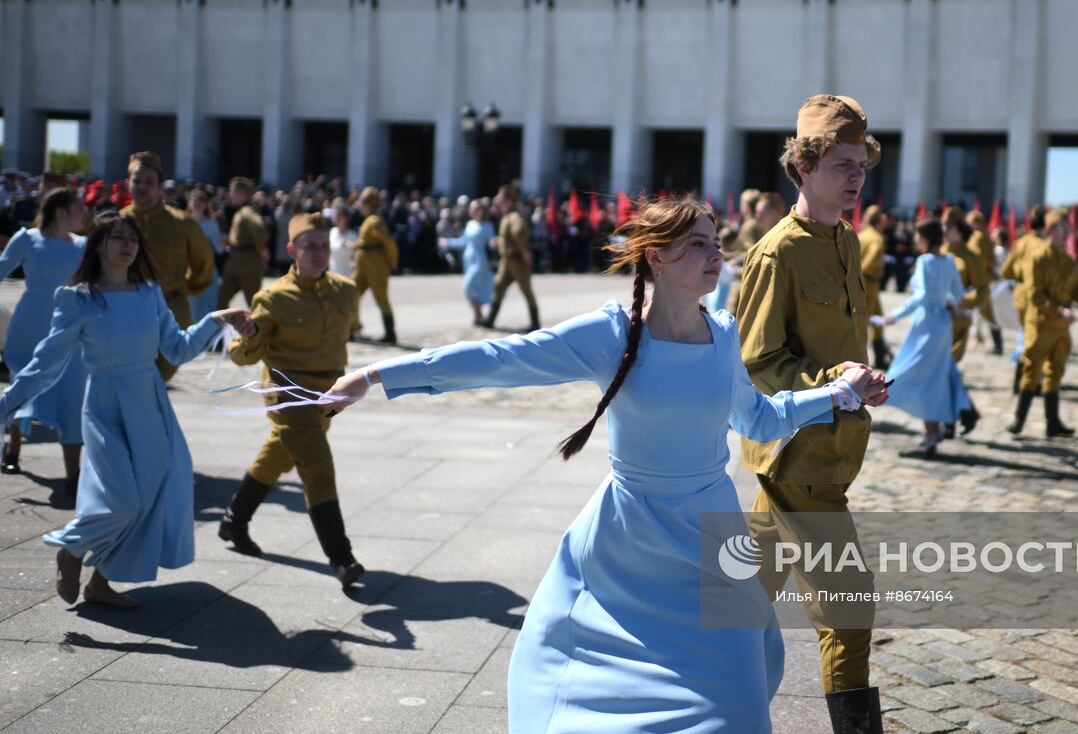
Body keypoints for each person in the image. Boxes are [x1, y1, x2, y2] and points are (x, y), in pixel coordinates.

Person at [322, 196, 885, 734]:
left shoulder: (724, 334)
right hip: (625, 549)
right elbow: (502, 359)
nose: (715, 254)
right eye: (695, 245)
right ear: (656, 256)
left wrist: (838, 393)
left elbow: (760, 420)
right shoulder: (613, 333)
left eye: (715, 243)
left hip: (711, 547)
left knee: (736, 708)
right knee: (595, 700)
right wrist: (378, 376)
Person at [0, 211, 252, 607]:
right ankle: (72, 549)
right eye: (118, 237)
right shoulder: (76, 298)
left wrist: (216, 319)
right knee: (122, 500)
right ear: (97, 244)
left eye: (132, 238)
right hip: (105, 406)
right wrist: (8, 402)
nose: (128, 244)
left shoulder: (149, 292)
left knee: (150, 498)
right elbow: (46, 363)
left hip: (151, 404)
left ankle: (100, 583)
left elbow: (177, 348)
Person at [734, 94, 889, 730]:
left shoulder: (846, 241)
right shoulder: (776, 253)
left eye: (861, 164)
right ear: (802, 167)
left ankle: (689, 693)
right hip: (798, 456)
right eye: (840, 164)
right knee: (849, 610)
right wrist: (837, 384)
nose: (854, 176)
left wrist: (860, 382)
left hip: (831, 455)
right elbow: (756, 365)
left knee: (741, 599)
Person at [220, 213, 365, 587]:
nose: (318, 254)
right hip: (288, 395)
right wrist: (249, 335)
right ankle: (341, 557)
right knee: (318, 464)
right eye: (309, 247)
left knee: (279, 454)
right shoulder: (272, 297)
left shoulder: (346, 290)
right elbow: (243, 355)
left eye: (323, 246)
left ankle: (234, 521)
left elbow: (346, 335)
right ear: (292, 251)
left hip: (328, 396)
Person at [0, 189, 89, 489]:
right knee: (22, 386)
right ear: (61, 212)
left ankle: (73, 474)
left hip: (68, 331)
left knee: (72, 394)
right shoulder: (27, 239)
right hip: (29, 326)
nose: (85, 213)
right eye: (79, 208)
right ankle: (12, 449)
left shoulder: (84, 245)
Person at [882, 218, 975, 458]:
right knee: (933, 378)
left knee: (909, 375)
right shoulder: (950, 261)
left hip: (926, 326)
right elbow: (958, 293)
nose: (914, 239)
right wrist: (947, 301)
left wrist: (895, 314)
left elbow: (920, 296)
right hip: (942, 325)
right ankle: (934, 430)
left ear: (926, 238)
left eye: (917, 235)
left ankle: (933, 431)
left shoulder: (925, 261)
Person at [1006, 209, 1078, 437]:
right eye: (1062, 229)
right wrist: (1059, 311)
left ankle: (1052, 422)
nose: (1067, 232)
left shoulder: (1068, 259)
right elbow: (1035, 295)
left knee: (1056, 371)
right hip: (1040, 323)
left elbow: (1075, 290)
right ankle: (1019, 419)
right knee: (1031, 370)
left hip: (1060, 327)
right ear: (1049, 230)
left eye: (1068, 229)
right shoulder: (1037, 257)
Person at [122, 151, 215, 382]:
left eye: (150, 182)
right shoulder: (118, 222)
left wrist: (183, 290)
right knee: (129, 377)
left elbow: (204, 265)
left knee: (158, 375)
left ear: (161, 187)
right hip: (125, 310)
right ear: (127, 184)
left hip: (170, 310)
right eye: (137, 181)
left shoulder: (181, 223)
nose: (142, 187)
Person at [1000, 204, 1048, 394]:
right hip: (1037, 296)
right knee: (1035, 339)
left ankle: (1022, 379)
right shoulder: (1043, 245)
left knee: (1025, 336)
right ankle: (1028, 380)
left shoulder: (1020, 242)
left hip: (1020, 295)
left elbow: (1006, 270)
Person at [484, 192, 541, 332]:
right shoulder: (507, 215)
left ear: (508, 201)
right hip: (506, 261)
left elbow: (519, 233)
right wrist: (500, 241)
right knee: (498, 286)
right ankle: (490, 320)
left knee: (526, 291)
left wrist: (524, 252)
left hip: (517, 261)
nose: (497, 200)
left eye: (500, 198)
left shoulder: (515, 216)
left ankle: (535, 323)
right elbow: (509, 235)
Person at [352, 186, 399, 343]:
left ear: (368, 204)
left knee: (381, 299)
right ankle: (352, 328)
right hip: (363, 267)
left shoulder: (375, 221)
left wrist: (393, 261)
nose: (359, 206)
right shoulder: (368, 221)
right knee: (351, 293)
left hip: (375, 267)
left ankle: (390, 333)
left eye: (361, 203)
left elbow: (388, 242)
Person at [440, 198, 496, 327]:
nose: (473, 211)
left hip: (479, 260)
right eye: (472, 208)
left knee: (468, 286)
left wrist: (495, 243)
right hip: (468, 260)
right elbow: (463, 241)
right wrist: (447, 242)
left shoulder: (487, 225)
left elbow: (492, 241)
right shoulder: (470, 224)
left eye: (476, 208)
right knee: (472, 288)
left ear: (482, 210)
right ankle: (478, 315)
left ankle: (479, 314)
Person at [941, 208, 988, 362]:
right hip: (935, 318)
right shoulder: (938, 252)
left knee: (949, 364)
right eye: (943, 225)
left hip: (957, 320)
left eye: (949, 226)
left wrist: (961, 301)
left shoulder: (971, 257)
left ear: (960, 230)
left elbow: (982, 291)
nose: (944, 230)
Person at [217, 176, 268, 309]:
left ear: (242, 194)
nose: (230, 195)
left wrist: (260, 247)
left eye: (232, 191)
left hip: (247, 266)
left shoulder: (247, 211)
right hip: (235, 264)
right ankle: (220, 330)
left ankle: (262, 329)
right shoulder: (240, 211)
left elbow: (261, 230)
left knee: (255, 306)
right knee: (220, 301)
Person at [858, 205, 891, 369]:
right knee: (865, 323)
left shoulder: (862, 234)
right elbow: (872, 260)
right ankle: (863, 359)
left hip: (863, 282)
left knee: (877, 319)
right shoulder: (877, 239)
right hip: (869, 283)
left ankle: (880, 356)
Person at [966, 210, 1002, 355]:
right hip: (983, 280)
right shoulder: (983, 237)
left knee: (987, 313)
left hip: (981, 281)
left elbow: (977, 259)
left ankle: (998, 345)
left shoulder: (978, 237)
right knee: (981, 312)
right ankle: (978, 338)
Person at [187, 188, 223, 324]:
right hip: (189, 269)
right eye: (194, 201)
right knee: (191, 308)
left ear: (206, 204)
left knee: (208, 308)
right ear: (189, 203)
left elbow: (218, 249)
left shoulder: (211, 223)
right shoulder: (185, 221)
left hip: (207, 269)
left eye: (200, 202)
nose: (196, 205)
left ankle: (210, 342)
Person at [328, 202, 357, 277]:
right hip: (333, 274)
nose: (337, 218)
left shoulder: (353, 235)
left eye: (340, 215)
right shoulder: (332, 232)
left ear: (346, 217)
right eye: (336, 215)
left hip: (347, 276)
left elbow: (356, 257)